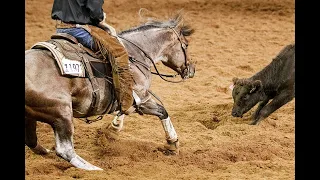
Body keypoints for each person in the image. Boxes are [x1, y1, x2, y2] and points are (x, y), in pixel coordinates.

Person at [51, 0, 134, 115]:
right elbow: (95, 12)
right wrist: (101, 17)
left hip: (60, 28)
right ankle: (125, 102)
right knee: (119, 54)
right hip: (79, 30)